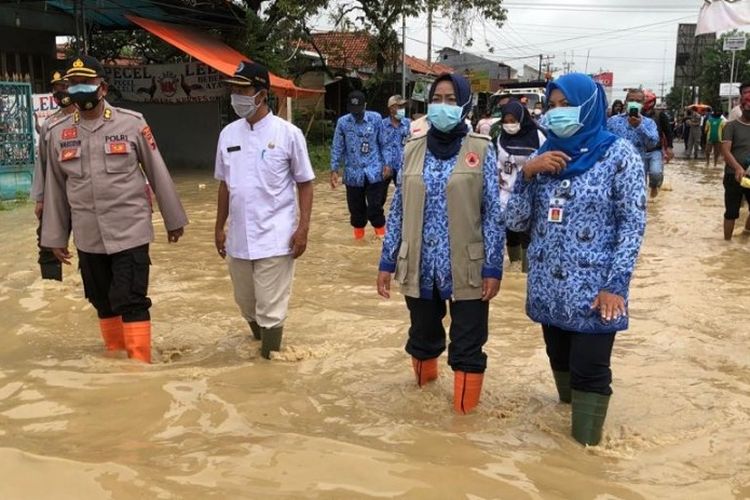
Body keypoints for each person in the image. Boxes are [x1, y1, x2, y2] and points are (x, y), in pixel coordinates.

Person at [505, 73, 646, 446]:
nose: (556, 113)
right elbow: (516, 222)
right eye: (551, 107)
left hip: (597, 291)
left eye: (565, 105)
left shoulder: (620, 155)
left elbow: (632, 225)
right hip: (549, 289)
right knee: (561, 365)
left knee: (591, 373)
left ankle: (584, 461)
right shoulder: (543, 155)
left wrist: (616, 286)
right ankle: (560, 459)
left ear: (587, 106)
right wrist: (527, 175)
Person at [41, 55, 188, 363]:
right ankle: (115, 362)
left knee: (131, 299)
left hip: (130, 231)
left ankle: (138, 368)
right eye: (74, 84)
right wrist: (54, 239)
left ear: (103, 87)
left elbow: (157, 170)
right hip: (88, 235)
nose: (79, 89)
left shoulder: (132, 124)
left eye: (87, 83)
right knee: (101, 300)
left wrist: (173, 219)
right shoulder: (58, 133)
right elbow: (55, 190)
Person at [376, 73, 504, 415]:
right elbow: (399, 208)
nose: (442, 106)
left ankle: (463, 429)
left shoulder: (481, 149)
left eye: (450, 99)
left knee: (467, 346)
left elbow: (492, 213)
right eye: (437, 99)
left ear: (464, 104)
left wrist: (494, 266)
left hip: (467, 264)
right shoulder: (412, 150)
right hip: (420, 263)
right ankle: (423, 417)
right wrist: (387, 261)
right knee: (422, 338)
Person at [214, 61, 314, 359]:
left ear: (261, 94)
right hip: (239, 238)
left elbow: (305, 184)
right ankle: (259, 344)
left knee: (270, 308)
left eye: (242, 89)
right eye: (233, 90)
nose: (236, 96)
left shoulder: (288, 134)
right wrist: (219, 227)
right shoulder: (227, 135)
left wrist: (303, 229)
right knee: (246, 303)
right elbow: (224, 186)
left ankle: (268, 368)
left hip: (276, 236)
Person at [31, 70, 75, 281]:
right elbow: (42, 164)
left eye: (65, 87)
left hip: (82, 192)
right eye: (57, 89)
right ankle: (51, 287)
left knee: (93, 247)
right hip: (55, 194)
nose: (61, 93)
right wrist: (40, 198)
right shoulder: (50, 124)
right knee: (47, 243)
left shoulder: (89, 118)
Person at [496, 100, 546, 272]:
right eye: (506, 121)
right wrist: (497, 174)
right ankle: (513, 268)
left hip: (530, 192)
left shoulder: (538, 136)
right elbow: (499, 162)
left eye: (513, 120)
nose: (510, 125)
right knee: (510, 232)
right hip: (507, 193)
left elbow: (546, 160)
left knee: (527, 234)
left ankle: (526, 272)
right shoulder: (501, 138)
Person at [330, 90, 387, 239]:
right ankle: (359, 243)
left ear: (365, 105)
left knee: (375, 208)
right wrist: (334, 169)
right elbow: (337, 146)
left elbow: (383, 143)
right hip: (353, 174)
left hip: (374, 171)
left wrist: (387, 164)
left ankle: (382, 240)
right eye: (353, 110)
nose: (356, 114)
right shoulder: (343, 122)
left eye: (359, 110)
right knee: (356, 211)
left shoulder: (376, 119)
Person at [607, 89, 660, 196]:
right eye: (631, 100)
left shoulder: (649, 123)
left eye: (638, 101)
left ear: (643, 104)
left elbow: (653, 143)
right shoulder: (612, 121)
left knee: (637, 205)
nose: (634, 103)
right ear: (626, 102)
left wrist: (639, 127)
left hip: (637, 172)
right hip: (613, 170)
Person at [720, 91, 750, 241]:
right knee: (731, 211)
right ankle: (726, 244)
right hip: (734, 175)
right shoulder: (731, 126)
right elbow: (725, 151)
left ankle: (746, 233)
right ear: (742, 107)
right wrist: (737, 167)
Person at [641, 91, 673, 198]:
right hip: (640, 150)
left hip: (655, 150)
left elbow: (668, 131)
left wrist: (669, 147)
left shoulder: (660, 115)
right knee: (641, 176)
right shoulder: (636, 114)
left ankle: (654, 186)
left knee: (655, 173)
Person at [381, 94, 411, 185]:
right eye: (399, 106)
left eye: (403, 106)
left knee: (403, 196)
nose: (402, 109)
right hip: (385, 167)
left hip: (403, 167)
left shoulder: (409, 124)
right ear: (391, 108)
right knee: (379, 197)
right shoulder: (382, 125)